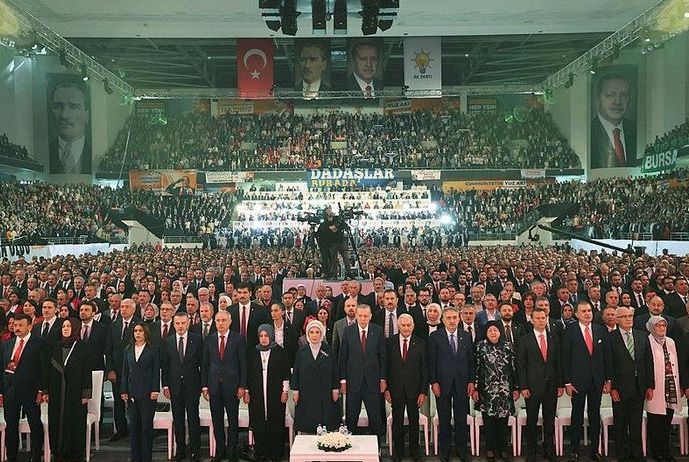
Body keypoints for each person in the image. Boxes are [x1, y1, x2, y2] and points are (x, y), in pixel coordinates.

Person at [604, 307, 654, 462]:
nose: (628, 319)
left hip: (639, 386)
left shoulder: (642, 335)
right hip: (620, 387)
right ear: (617, 319)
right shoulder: (610, 338)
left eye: (630, 316)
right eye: (624, 316)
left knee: (636, 421)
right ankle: (622, 453)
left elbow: (648, 362)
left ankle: (637, 453)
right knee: (620, 422)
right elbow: (608, 364)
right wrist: (612, 387)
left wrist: (650, 386)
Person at [428, 306, 475, 462]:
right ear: (443, 320)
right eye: (448, 318)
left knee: (461, 419)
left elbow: (471, 361)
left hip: (462, 383)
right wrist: (434, 382)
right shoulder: (435, 336)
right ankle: (445, 450)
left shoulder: (466, 336)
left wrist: (471, 381)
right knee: (444, 419)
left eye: (455, 317)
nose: (452, 320)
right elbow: (431, 362)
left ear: (459, 318)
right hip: (442, 384)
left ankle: (462, 450)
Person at [562, 301, 607, 462]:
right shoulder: (570, 330)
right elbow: (565, 358)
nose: (587, 313)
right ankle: (575, 450)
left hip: (596, 380)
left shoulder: (600, 330)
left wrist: (608, 379)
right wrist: (567, 382)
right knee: (577, 416)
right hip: (577, 382)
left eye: (589, 310)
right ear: (576, 314)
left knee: (595, 416)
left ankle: (595, 450)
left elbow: (606, 357)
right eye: (584, 311)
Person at [517, 307, 563, 462]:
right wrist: (523, 386)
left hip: (551, 386)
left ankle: (548, 450)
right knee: (532, 420)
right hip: (532, 387)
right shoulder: (524, 340)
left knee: (549, 420)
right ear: (531, 320)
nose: (541, 321)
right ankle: (531, 451)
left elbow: (558, 363)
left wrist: (560, 384)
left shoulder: (554, 338)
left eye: (543, 318)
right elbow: (521, 366)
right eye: (537, 318)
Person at [0, 314, 48, 462]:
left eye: (21, 325)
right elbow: (2, 368)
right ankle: (11, 457)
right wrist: (1, 391)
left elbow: (44, 368)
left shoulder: (39, 343)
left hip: (31, 391)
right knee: (11, 425)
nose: (17, 328)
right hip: (10, 390)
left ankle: (36, 456)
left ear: (29, 326)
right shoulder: (6, 344)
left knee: (35, 424)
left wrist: (42, 389)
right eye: (15, 325)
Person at [202, 309, 247, 462]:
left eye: (223, 320)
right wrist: (205, 387)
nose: (220, 323)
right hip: (214, 386)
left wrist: (242, 386)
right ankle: (220, 450)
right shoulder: (209, 339)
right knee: (217, 420)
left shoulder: (238, 339)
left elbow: (243, 365)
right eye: (218, 321)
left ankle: (232, 450)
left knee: (233, 420)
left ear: (230, 322)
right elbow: (205, 364)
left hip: (232, 386)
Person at [472, 320, 519, 462]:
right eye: (490, 330)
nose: (493, 333)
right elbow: (476, 368)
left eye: (496, 330)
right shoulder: (480, 346)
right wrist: (475, 388)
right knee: (489, 423)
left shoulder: (508, 346)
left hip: (505, 391)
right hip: (486, 392)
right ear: (486, 333)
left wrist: (516, 388)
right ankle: (490, 449)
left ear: (500, 332)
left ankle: (503, 449)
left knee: (503, 423)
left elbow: (514, 368)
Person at [339, 304, 387, 439]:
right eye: (360, 316)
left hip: (373, 382)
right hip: (353, 383)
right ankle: (350, 447)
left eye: (365, 316)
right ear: (356, 316)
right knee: (351, 419)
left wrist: (383, 379)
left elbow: (383, 357)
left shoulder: (378, 331)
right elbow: (343, 357)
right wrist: (343, 380)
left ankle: (376, 448)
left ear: (370, 316)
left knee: (375, 419)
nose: (363, 318)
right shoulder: (348, 331)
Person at [384, 313, 427, 462]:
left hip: (414, 390)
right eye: (403, 325)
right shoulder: (389, 342)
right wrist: (386, 389)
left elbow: (424, 369)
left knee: (414, 421)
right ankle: (399, 451)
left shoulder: (420, 343)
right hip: (395, 390)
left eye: (409, 325)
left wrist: (423, 392)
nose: (406, 328)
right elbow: (386, 367)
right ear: (398, 326)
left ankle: (414, 451)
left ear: (413, 326)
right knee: (397, 421)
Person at [245, 324, 290, 462]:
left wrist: (285, 391)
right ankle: (262, 452)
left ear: (271, 336)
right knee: (258, 422)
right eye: (261, 336)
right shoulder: (253, 352)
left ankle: (276, 453)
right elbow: (248, 374)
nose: (263, 338)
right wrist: (247, 392)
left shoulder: (279, 352)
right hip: (257, 394)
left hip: (275, 393)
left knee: (275, 422)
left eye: (266, 336)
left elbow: (285, 373)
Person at [162, 312, 203, 462]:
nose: (180, 326)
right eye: (177, 323)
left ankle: (195, 451)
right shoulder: (168, 341)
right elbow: (165, 366)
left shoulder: (197, 340)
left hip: (192, 386)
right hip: (174, 386)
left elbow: (202, 364)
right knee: (178, 419)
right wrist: (165, 385)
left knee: (193, 419)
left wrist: (203, 386)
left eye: (183, 323)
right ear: (173, 324)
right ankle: (180, 450)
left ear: (188, 323)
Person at [291, 319, 340, 432]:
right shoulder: (302, 352)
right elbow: (296, 372)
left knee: (327, 423)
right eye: (311, 332)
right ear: (307, 334)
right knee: (308, 424)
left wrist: (335, 389)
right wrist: (295, 391)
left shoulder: (329, 351)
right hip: (307, 392)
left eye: (317, 332)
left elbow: (335, 371)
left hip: (325, 392)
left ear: (321, 334)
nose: (314, 335)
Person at [121, 322, 160, 462]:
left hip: (148, 392)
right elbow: (125, 372)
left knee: (146, 427)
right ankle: (135, 457)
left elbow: (156, 371)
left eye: (140, 331)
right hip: (132, 391)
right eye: (135, 331)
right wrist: (124, 390)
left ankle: (146, 457)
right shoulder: (128, 349)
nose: (137, 333)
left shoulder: (152, 349)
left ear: (146, 333)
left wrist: (155, 389)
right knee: (134, 426)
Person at [645, 315, 681, 462]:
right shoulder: (647, 341)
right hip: (656, 387)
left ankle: (666, 451)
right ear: (652, 327)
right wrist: (649, 386)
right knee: (655, 422)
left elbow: (676, 364)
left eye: (664, 325)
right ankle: (657, 452)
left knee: (667, 421)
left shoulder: (671, 341)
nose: (662, 328)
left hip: (670, 386)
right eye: (658, 325)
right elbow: (646, 366)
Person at [105, 297, 137, 441]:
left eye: (127, 307)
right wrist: (110, 369)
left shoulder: (139, 325)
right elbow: (108, 348)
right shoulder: (114, 324)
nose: (123, 309)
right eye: (122, 306)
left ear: (133, 309)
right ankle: (120, 429)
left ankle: (135, 429)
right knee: (118, 401)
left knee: (134, 400)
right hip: (117, 369)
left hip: (134, 370)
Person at [590, 72, 636, 168]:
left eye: (624, 95)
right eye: (610, 95)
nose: (618, 102)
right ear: (598, 98)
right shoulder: (590, 132)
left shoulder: (635, 130)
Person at [48, 81, 92, 174]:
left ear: (87, 116)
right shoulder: (46, 152)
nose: (64, 115)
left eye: (74, 107)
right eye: (57, 106)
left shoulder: (93, 153)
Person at [317, 206, 351, 280]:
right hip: (332, 243)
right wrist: (335, 227)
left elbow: (341, 226)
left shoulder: (337, 219)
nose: (331, 212)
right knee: (334, 259)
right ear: (325, 213)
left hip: (341, 240)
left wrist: (335, 227)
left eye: (331, 210)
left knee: (345, 256)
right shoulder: (324, 224)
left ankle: (349, 272)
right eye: (329, 211)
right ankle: (334, 274)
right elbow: (330, 230)